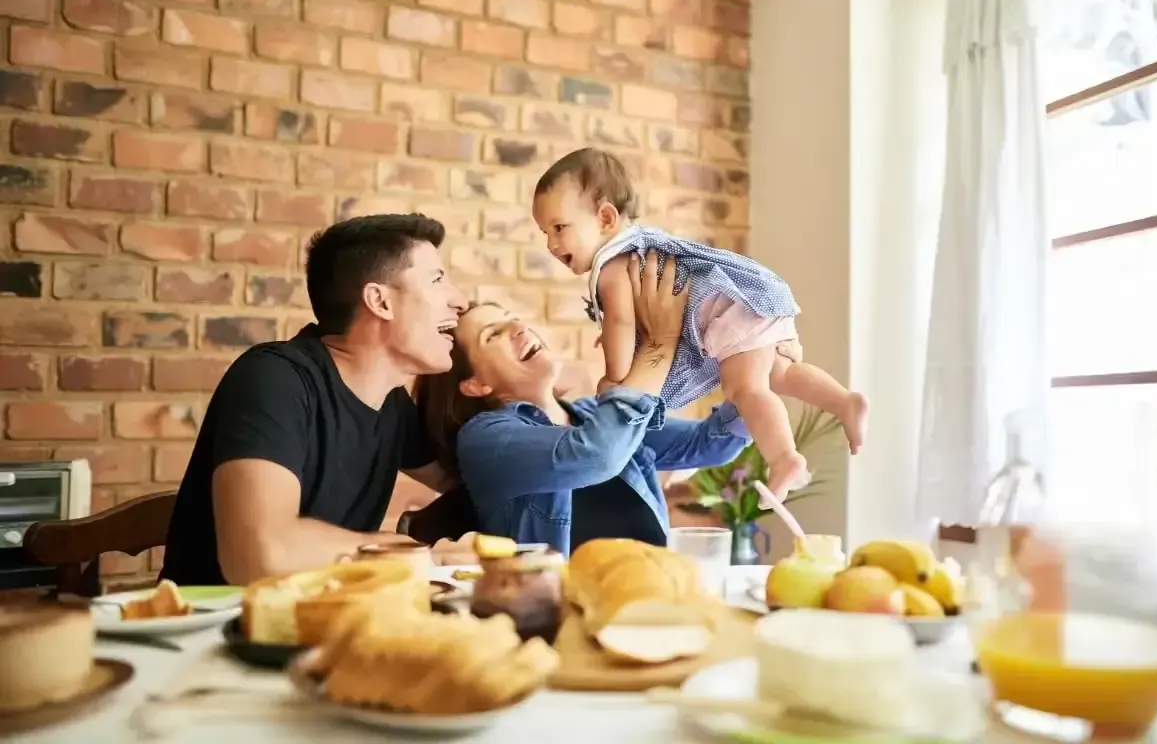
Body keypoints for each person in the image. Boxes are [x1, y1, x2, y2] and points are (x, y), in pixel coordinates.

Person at [531, 148, 869, 504]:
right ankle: (844, 401)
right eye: (544, 233)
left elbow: (620, 320)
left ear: (604, 217)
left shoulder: (613, 266)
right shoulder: (637, 247)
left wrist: (616, 379)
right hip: (746, 301)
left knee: (745, 390)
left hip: (730, 312)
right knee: (779, 376)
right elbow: (629, 320)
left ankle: (784, 457)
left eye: (559, 228)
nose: (552, 244)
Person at [160, 214, 477, 586]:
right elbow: (259, 556)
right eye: (437, 279)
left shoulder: (392, 407)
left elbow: (475, 483)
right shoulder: (275, 380)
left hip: (316, 624)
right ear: (380, 301)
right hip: (213, 631)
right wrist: (414, 554)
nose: (460, 300)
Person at [417, 252, 756, 555]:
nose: (519, 327)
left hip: (647, 595)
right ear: (476, 384)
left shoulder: (595, 414)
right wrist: (657, 345)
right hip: (562, 612)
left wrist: (751, 365)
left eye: (512, 318)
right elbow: (596, 454)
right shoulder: (485, 439)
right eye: (493, 335)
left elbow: (711, 443)